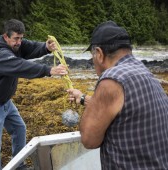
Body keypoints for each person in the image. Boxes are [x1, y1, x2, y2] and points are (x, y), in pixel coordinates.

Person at [67, 21, 168, 169]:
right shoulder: (144, 72)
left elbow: (89, 140)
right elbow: (121, 109)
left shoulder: (111, 79)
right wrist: (82, 97)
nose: (93, 61)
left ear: (99, 54)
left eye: (92, 56)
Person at [0, 19, 67, 170]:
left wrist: (46, 47)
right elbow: (21, 67)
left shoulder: (16, 46)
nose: (19, 42)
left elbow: (30, 47)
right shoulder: (1, 56)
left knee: (19, 129)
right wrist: (48, 70)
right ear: (6, 37)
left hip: (5, 102)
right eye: (16, 38)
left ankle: (18, 165)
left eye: (21, 38)